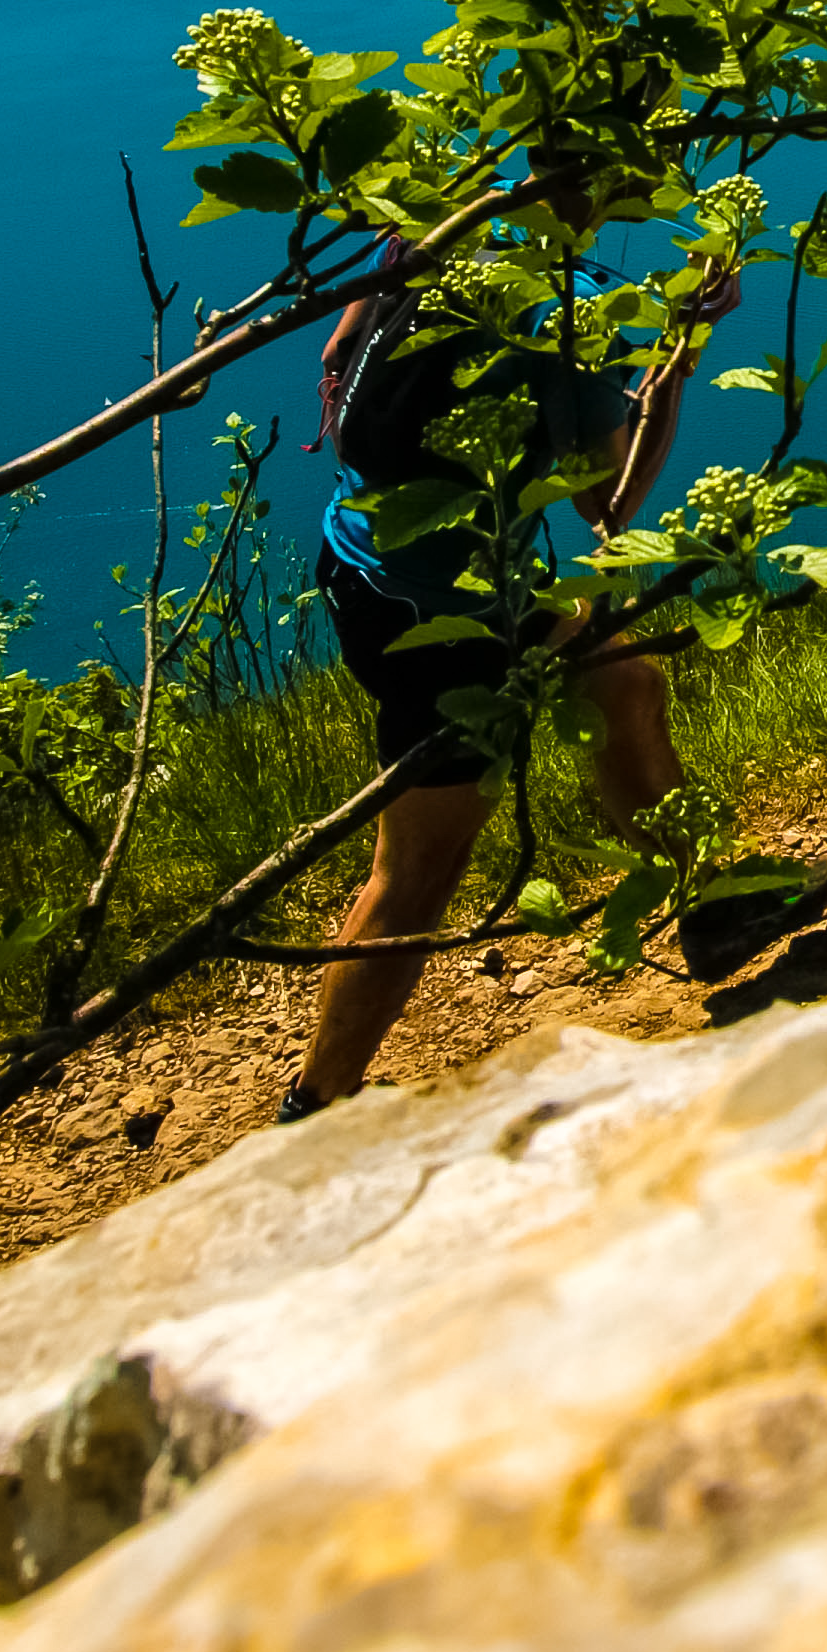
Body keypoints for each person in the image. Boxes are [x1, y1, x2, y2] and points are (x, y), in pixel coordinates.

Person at [279, 196, 738, 1122]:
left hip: (368, 558)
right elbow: (611, 501)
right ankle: (316, 1109)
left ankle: (716, 905)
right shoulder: (566, 316)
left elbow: (336, 361)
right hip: (449, 611)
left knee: (622, 678)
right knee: (416, 873)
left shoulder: (428, 230)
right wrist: (681, 342)